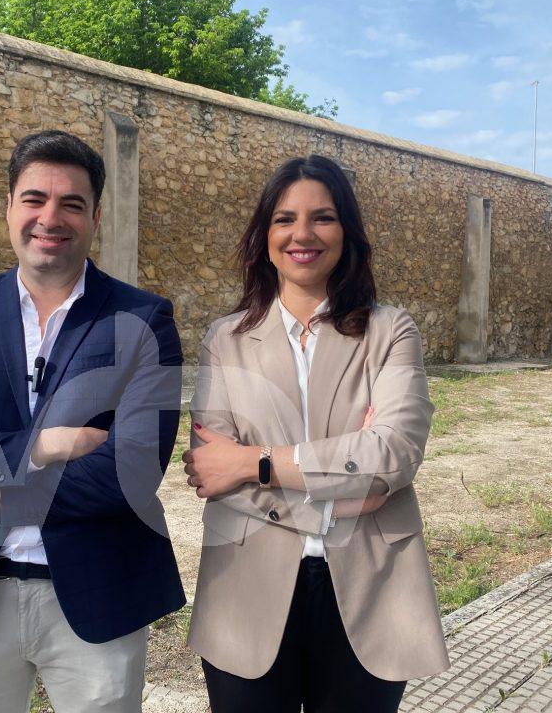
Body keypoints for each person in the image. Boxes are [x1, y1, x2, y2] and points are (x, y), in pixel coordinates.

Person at [0, 130, 185, 713]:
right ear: (8, 207)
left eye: (71, 203)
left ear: (95, 217)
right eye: (34, 199)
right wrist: (46, 445)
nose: (51, 218)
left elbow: (130, 474)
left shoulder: (143, 319)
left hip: (100, 591)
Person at [183, 155, 449, 712]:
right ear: (265, 237)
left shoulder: (390, 331)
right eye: (285, 219)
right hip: (245, 591)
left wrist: (253, 463)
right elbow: (211, 469)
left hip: (373, 587)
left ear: (346, 232)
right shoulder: (224, 341)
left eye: (322, 217)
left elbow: (393, 452)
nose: (302, 234)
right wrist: (346, 496)